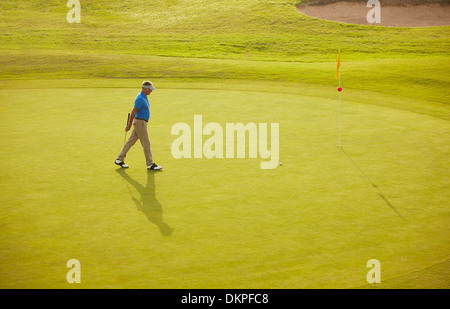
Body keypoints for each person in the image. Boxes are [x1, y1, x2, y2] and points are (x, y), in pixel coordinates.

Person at [115, 81, 162, 170]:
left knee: (130, 141)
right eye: (150, 89)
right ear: (145, 89)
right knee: (146, 143)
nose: (151, 91)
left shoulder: (144, 96)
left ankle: (119, 159)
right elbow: (133, 112)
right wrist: (129, 125)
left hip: (140, 123)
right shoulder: (140, 98)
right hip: (140, 123)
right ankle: (150, 164)